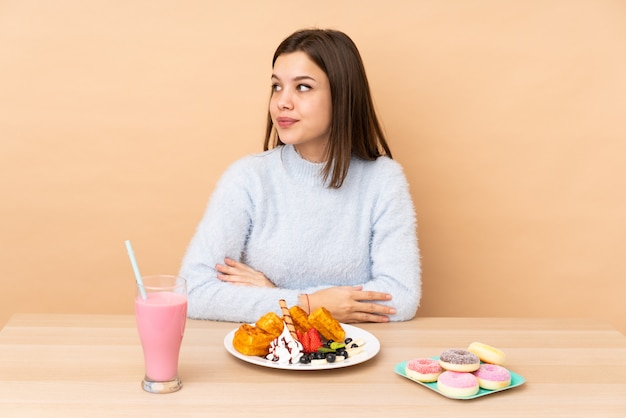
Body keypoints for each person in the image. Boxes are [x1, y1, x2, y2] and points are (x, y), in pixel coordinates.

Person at [179, 28, 420, 324]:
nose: (282, 102)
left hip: (351, 359)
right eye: (276, 87)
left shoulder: (383, 180)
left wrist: (282, 297)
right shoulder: (248, 177)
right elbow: (194, 290)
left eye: (303, 87)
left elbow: (401, 295)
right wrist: (307, 304)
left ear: (342, 95)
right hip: (266, 360)